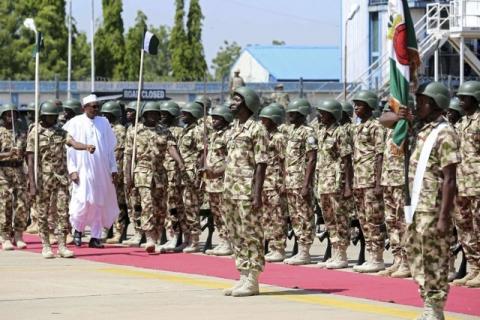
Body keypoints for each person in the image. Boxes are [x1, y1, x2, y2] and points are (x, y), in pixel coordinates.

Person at [390, 81, 458, 320]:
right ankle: (427, 301)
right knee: (417, 256)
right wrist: (402, 116)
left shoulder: (445, 132)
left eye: (421, 101)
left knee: (435, 258)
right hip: (416, 207)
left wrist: (443, 218)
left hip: (433, 208)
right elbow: (386, 122)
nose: (417, 104)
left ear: (435, 104)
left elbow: (450, 179)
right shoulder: (421, 128)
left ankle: (436, 307)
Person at [27, 101, 95, 258]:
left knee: (62, 212)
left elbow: (73, 143)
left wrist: (86, 147)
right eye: (49, 117)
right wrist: (32, 182)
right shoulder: (35, 133)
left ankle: (62, 245)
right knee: (42, 213)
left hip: (60, 178)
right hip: (43, 179)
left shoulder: (61, 132)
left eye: (54, 117)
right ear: (42, 117)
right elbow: (30, 158)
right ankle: (46, 245)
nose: (52, 120)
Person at [222, 86, 268, 297]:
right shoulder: (233, 128)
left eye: (237, 99)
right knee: (236, 234)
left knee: (252, 234)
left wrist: (257, 194)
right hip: (230, 190)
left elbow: (261, 164)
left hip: (247, 190)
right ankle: (242, 275)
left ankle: (253, 279)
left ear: (247, 103)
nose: (231, 102)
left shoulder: (257, 129)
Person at [125, 101, 185, 253]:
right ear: (144, 114)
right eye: (149, 113)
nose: (153, 116)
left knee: (160, 207)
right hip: (142, 171)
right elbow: (128, 156)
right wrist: (128, 177)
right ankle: (149, 236)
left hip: (160, 173)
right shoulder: (134, 131)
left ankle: (157, 236)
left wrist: (180, 162)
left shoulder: (163, 130)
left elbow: (171, 146)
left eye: (155, 114)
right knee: (147, 205)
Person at [63, 94, 119, 249]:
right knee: (82, 201)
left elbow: (109, 149)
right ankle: (78, 231)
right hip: (83, 169)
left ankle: (95, 237)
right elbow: (69, 150)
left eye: (97, 106)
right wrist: (72, 170)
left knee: (99, 203)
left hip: (102, 170)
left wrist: (113, 168)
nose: (96, 109)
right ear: (84, 108)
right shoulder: (75, 122)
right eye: (93, 106)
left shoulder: (104, 122)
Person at [315, 99, 353, 269]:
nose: (320, 115)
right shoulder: (322, 131)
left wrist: (347, 186)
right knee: (328, 218)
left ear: (332, 114)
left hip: (337, 182)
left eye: (324, 113)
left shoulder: (340, 132)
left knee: (340, 218)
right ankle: (334, 251)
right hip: (323, 182)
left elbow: (347, 160)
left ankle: (342, 255)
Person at [351, 90, 386, 273]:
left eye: (360, 104)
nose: (356, 107)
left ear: (370, 106)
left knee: (374, 220)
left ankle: (377, 258)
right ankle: (371, 255)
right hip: (359, 179)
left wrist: (379, 182)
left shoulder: (376, 126)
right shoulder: (357, 127)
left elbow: (380, 154)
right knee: (363, 220)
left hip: (371, 180)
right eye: (355, 104)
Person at [452, 80, 480, 288]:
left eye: (464, 97)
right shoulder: (460, 124)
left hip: (477, 183)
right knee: (464, 227)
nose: (460, 101)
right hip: (461, 184)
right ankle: (474, 267)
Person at [283, 98, 317, 265]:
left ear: (302, 113)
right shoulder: (292, 131)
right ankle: (300, 248)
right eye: (289, 112)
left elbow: (311, 159)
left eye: (293, 113)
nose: (289, 115)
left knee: (305, 216)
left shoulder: (308, 132)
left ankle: (305, 251)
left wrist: (306, 184)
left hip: (301, 181)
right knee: (295, 216)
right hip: (290, 180)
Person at [378, 103, 410, 278]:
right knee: (391, 222)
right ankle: (397, 259)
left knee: (403, 222)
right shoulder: (390, 129)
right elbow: (383, 119)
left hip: (401, 182)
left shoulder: (406, 127)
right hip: (388, 180)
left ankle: (407, 261)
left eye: (390, 111)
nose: (386, 115)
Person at [258, 103, 287, 262]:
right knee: (266, 216)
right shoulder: (263, 137)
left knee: (277, 216)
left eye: (265, 119)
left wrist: (284, 183)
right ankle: (270, 247)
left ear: (274, 120)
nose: (262, 122)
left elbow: (285, 161)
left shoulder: (279, 138)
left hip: (276, 182)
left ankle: (279, 248)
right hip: (265, 183)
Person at [203, 104, 234, 256]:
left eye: (217, 118)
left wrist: (217, 171)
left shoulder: (229, 135)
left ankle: (229, 243)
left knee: (225, 213)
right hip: (211, 182)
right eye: (212, 117)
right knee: (216, 214)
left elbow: (232, 159)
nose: (213, 120)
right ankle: (222, 241)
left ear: (226, 119)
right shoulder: (214, 135)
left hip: (223, 180)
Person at [157, 101, 187, 253]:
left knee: (174, 207)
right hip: (162, 173)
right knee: (166, 206)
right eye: (161, 114)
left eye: (165, 114)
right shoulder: (161, 130)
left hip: (173, 174)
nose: (162, 117)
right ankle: (169, 236)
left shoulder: (177, 131)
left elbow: (176, 150)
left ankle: (175, 237)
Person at [0, 103, 28, 251]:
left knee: (22, 205)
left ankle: (18, 235)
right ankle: (4, 236)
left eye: (13, 114)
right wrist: (7, 154)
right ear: (3, 116)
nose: (10, 117)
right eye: (7, 114)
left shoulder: (22, 133)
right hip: (3, 172)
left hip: (19, 172)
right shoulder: (0, 131)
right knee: (5, 205)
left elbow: (28, 154)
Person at [178, 102, 204, 252]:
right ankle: (186, 238)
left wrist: (198, 175)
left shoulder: (198, 131)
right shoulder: (185, 130)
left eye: (186, 113)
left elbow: (202, 153)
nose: (183, 116)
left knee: (191, 207)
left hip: (191, 174)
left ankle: (194, 240)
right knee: (183, 207)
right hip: (182, 174)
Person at [101, 101, 128, 244]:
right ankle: (105, 229)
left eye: (107, 114)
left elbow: (118, 152)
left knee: (117, 203)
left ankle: (119, 232)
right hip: (103, 171)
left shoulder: (119, 130)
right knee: (105, 202)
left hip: (115, 171)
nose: (104, 116)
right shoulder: (104, 129)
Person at [122, 101, 144, 246]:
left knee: (140, 204)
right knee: (132, 203)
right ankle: (136, 231)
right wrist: (127, 175)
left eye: (132, 111)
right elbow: (128, 154)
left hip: (140, 172)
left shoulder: (141, 129)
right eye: (127, 111)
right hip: (129, 170)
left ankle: (142, 232)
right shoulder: (130, 129)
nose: (128, 113)